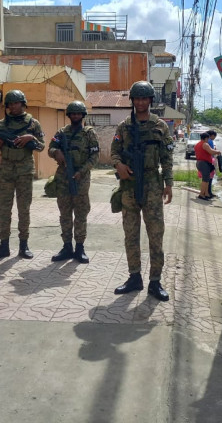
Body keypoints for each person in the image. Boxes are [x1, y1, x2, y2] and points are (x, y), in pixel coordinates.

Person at [111, 81, 174, 301]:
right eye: (136, 98)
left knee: (155, 234)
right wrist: (119, 165)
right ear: (132, 101)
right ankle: (134, 277)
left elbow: (167, 157)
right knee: (131, 234)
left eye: (144, 98)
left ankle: (155, 281)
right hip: (129, 185)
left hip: (152, 184)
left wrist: (168, 183)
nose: (140, 102)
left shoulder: (160, 126)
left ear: (150, 100)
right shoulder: (124, 126)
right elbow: (114, 151)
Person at [0, 90, 45, 260]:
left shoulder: (33, 124)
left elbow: (41, 146)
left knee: (23, 209)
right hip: (5, 170)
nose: (13, 106)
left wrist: (29, 138)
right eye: (10, 104)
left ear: (23, 104)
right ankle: (3, 245)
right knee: (4, 209)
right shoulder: (1, 124)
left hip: (24, 171)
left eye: (16, 103)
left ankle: (23, 245)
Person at [47, 101, 100, 264]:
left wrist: (81, 171)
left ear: (83, 115)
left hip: (81, 179)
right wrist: (56, 152)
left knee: (81, 214)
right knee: (64, 213)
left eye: (78, 113)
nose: (75, 116)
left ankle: (79, 247)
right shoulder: (62, 132)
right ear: (69, 115)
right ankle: (67, 246)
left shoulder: (89, 134)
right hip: (63, 177)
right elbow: (49, 148)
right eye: (73, 113)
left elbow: (94, 157)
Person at [195, 132, 221, 200]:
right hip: (204, 163)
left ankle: (206, 194)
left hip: (199, 162)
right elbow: (211, 152)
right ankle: (201, 194)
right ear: (206, 138)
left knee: (207, 179)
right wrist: (218, 151)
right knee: (205, 180)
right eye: (208, 138)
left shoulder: (197, 144)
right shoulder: (205, 144)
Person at [207, 129, 220, 198]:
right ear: (212, 136)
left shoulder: (206, 141)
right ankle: (209, 193)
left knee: (208, 178)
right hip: (210, 161)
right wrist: (216, 151)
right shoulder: (210, 141)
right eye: (214, 137)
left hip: (208, 161)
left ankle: (208, 192)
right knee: (210, 178)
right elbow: (212, 152)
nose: (214, 138)